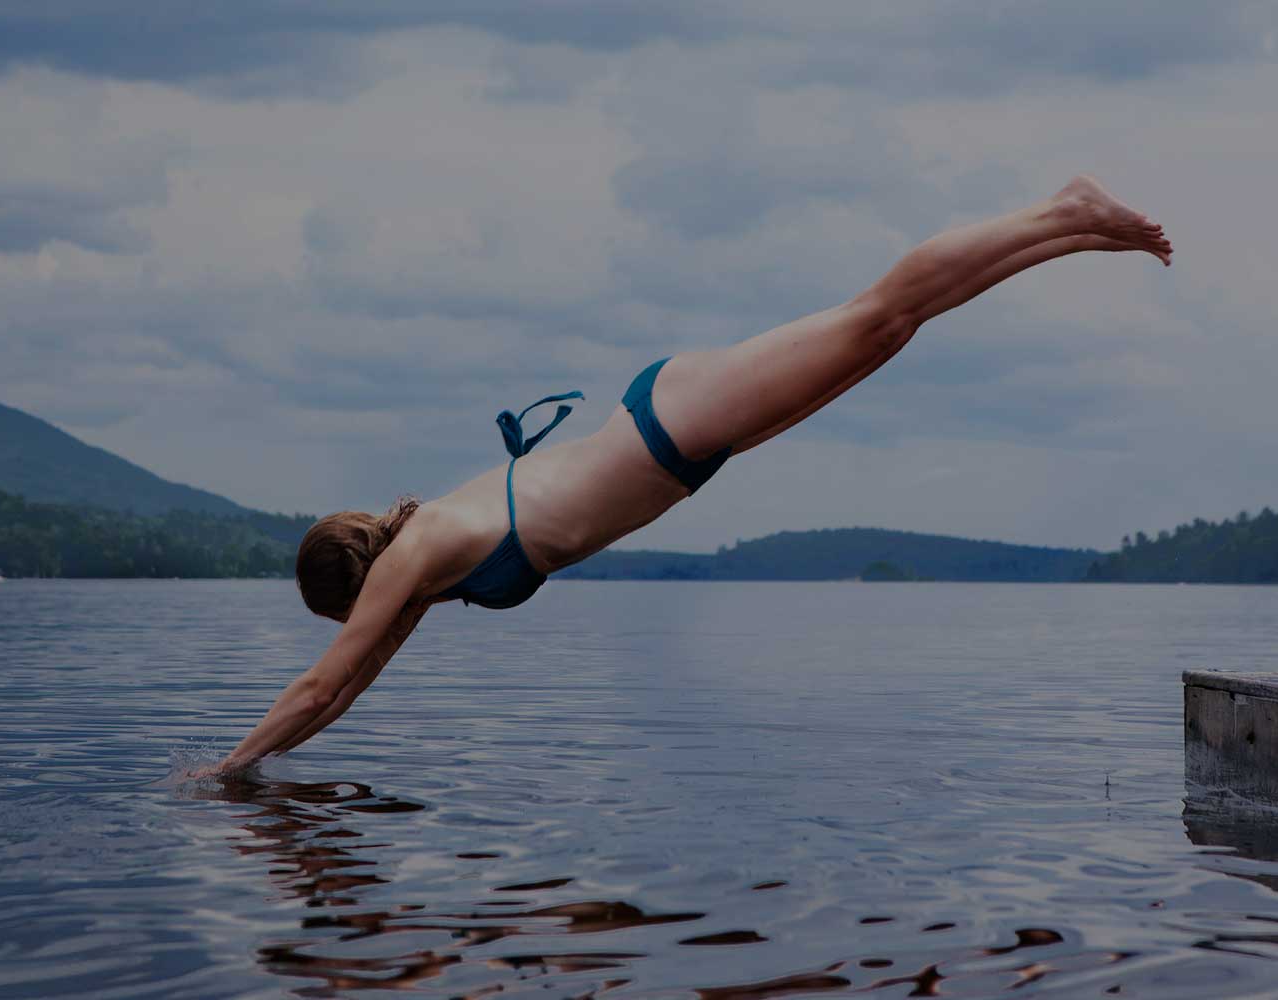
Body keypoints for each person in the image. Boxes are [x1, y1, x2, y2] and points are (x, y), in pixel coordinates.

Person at [200, 175, 1171, 775]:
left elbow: (321, 686)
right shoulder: (417, 571)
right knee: (888, 335)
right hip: (682, 445)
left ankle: (1060, 209)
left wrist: (223, 770)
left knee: (875, 314)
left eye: (345, 615)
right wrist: (259, 770)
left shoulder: (415, 553)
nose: (356, 633)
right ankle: (1072, 232)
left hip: (668, 424)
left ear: (354, 586)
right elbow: (352, 682)